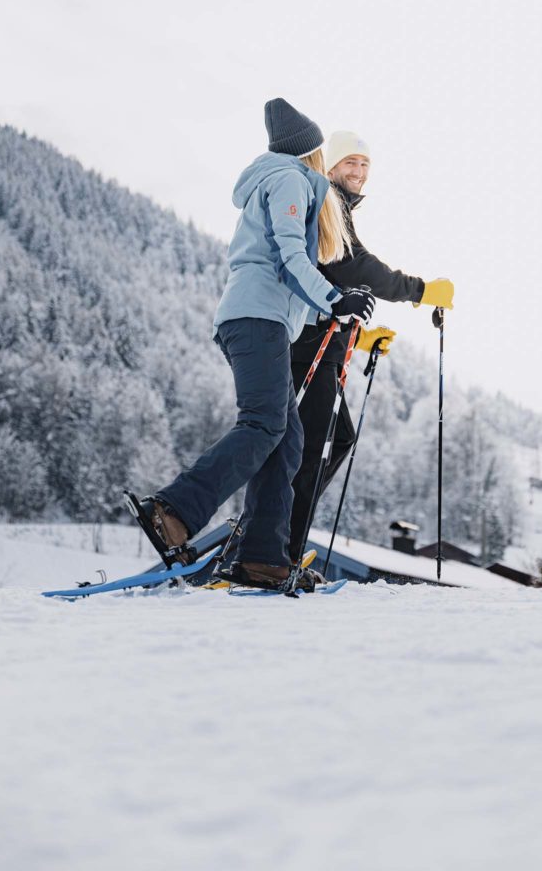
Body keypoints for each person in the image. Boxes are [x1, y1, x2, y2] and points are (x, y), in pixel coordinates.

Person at [127, 101, 375, 589]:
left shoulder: (285, 179)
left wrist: (335, 308)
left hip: (264, 320)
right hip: (255, 318)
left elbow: (283, 266)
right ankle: (171, 510)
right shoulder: (288, 179)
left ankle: (263, 558)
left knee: (288, 441)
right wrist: (335, 296)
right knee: (264, 424)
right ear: (310, 151)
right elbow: (286, 256)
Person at [289, 130, 454, 564]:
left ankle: (280, 530)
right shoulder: (326, 203)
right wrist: (419, 291)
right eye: (350, 163)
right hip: (310, 350)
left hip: (325, 344)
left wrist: (361, 339)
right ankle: (279, 545)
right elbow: (351, 266)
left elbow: (337, 278)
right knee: (310, 451)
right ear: (331, 167)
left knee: (337, 438)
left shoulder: (337, 208)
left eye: (364, 164)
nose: (359, 172)